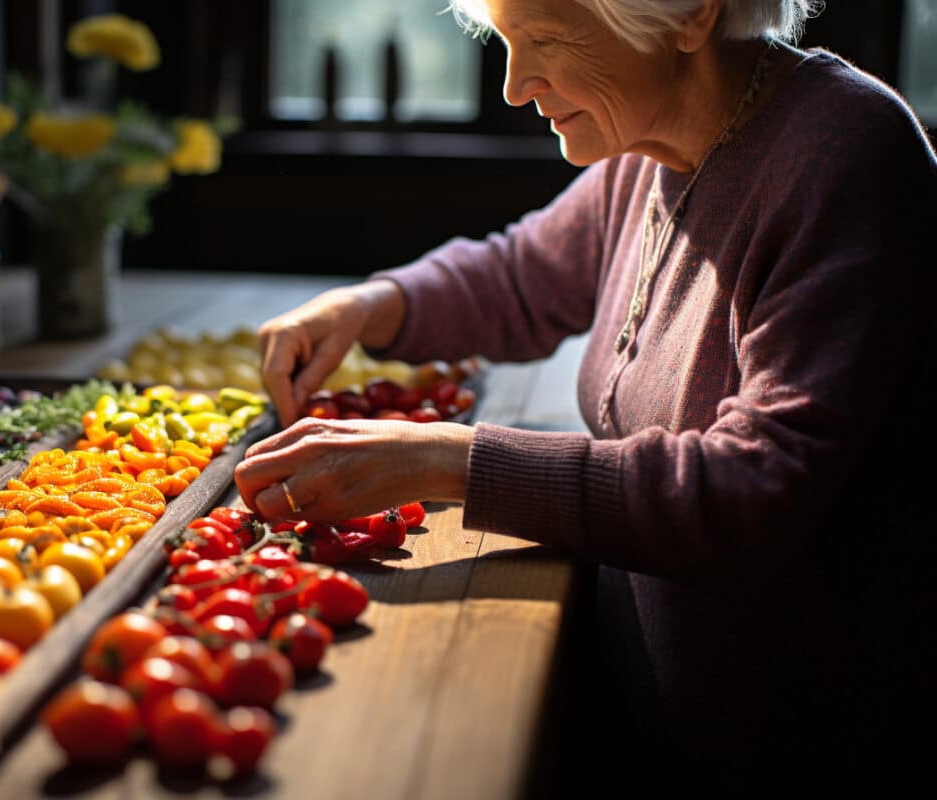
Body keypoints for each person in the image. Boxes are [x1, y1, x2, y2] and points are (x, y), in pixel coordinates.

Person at [234, 0, 935, 794]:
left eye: (547, 41)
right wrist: (373, 305)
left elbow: (757, 491)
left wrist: (452, 462)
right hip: (652, 708)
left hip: (788, 744)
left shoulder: (846, 153)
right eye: (504, 43)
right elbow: (525, 275)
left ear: (689, 16)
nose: (512, 86)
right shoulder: (650, 139)